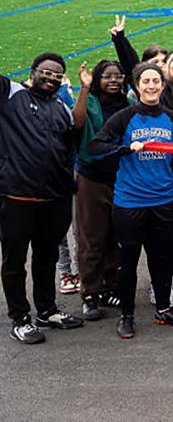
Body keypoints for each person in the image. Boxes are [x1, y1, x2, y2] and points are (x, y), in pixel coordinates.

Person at [87, 63, 173, 339]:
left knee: (162, 259)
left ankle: (164, 308)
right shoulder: (125, 117)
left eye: (155, 81)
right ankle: (127, 315)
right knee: (129, 260)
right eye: (145, 81)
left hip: (164, 201)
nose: (150, 86)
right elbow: (95, 147)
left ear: (162, 85)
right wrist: (124, 149)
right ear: (136, 86)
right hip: (130, 202)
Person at [0, 54, 86, 344]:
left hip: (55, 196)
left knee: (47, 257)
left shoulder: (61, 105)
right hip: (17, 194)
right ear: (33, 71)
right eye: (46, 72)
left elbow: (75, 130)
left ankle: (46, 310)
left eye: (57, 75)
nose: (51, 78)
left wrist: (84, 89)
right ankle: (19, 317)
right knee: (14, 260)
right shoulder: (11, 94)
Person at [70, 60, 131, 322]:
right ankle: (90, 293)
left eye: (118, 76)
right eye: (107, 76)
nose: (113, 81)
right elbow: (77, 123)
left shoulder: (128, 105)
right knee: (92, 238)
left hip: (121, 178)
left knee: (116, 237)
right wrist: (84, 89)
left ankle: (110, 286)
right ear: (98, 79)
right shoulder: (91, 101)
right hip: (92, 178)